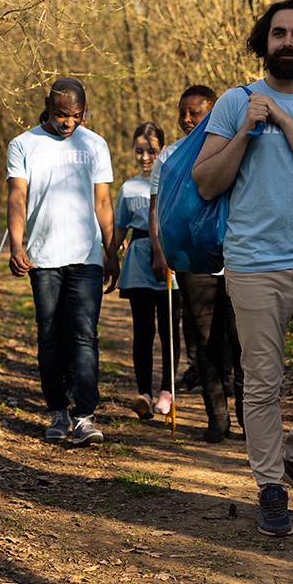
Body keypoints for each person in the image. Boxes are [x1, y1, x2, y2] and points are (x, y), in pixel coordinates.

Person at [192, 0, 293, 536]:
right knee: (262, 382)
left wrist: (284, 119)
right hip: (252, 265)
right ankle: (269, 485)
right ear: (264, 41)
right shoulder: (235, 103)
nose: (288, 42)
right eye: (279, 33)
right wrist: (246, 130)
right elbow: (206, 181)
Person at [6, 77, 119, 446]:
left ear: (84, 113)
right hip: (42, 258)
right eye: (60, 114)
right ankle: (57, 411)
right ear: (47, 107)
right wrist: (17, 245)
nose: (67, 122)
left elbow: (103, 202)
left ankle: (85, 416)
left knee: (85, 336)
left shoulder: (95, 145)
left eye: (75, 115)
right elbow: (17, 198)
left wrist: (111, 251)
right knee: (50, 335)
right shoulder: (23, 144)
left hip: (85, 256)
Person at [148, 85, 245, 444]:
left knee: (242, 341)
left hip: (237, 258)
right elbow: (158, 210)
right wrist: (161, 252)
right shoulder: (170, 157)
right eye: (183, 113)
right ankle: (216, 418)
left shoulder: (236, 148)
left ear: (215, 113)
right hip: (192, 261)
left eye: (197, 113)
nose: (188, 120)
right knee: (204, 340)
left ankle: (246, 415)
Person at [113, 122, 180, 419]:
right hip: (138, 261)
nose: (144, 157)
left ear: (161, 150)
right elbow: (119, 228)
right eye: (139, 151)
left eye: (151, 151)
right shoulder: (128, 188)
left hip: (169, 260)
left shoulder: (173, 181)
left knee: (169, 330)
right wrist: (108, 258)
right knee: (143, 329)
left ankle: (167, 391)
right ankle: (144, 393)